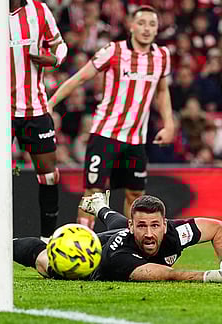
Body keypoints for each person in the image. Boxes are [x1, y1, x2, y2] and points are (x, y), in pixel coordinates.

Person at [47, 5, 175, 229]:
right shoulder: (114, 51)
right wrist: (50, 103)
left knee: (135, 193)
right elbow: (80, 78)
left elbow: (162, 91)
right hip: (105, 134)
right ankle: (83, 241)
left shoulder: (162, 56)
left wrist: (169, 124)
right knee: (94, 192)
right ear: (131, 26)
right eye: (142, 23)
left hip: (136, 139)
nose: (146, 28)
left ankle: (129, 245)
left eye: (152, 24)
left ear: (157, 29)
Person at [0, 0, 68, 239]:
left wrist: (54, 60)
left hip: (35, 108)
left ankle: (47, 239)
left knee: (49, 173)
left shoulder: (40, 10)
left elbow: (59, 45)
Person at [13, 193, 222, 283]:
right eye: (142, 225)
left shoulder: (174, 232)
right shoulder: (120, 259)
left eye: (156, 225)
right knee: (48, 261)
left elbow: (217, 228)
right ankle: (2, 248)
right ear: (134, 226)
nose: (150, 233)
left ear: (165, 224)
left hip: (120, 231)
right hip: (94, 257)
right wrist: (214, 276)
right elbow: (167, 274)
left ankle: (100, 206)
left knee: (117, 222)